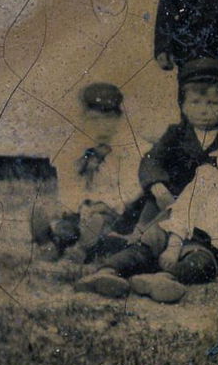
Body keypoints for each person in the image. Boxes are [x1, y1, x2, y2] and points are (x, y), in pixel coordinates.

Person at [76, 118, 218, 304]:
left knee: (202, 266)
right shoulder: (209, 178)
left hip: (202, 247)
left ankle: (162, 280)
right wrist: (173, 245)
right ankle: (107, 272)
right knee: (143, 250)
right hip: (174, 231)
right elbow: (185, 208)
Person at [29, 81, 146, 262]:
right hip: (82, 210)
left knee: (101, 225)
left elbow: (132, 188)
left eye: (109, 119)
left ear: (119, 119)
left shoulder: (129, 150)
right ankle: (50, 243)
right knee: (67, 224)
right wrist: (78, 206)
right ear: (83, 118)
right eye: (94, 120)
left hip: (115, 212)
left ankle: (83, 249)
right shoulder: (76, 150)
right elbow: (69, 185)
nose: (102, 127)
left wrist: (106, 204)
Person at [137, 58, 218, 216]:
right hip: (171, 201)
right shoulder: (176, 133)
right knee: (149, 230)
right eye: (195, 102)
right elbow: (152, 160)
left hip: (211, 207)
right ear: (183, 107)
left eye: (212, 103)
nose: (203, 111)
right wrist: (157, 185)